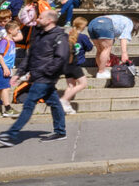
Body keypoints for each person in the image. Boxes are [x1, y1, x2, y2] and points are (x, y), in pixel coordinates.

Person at [5, 8, 70, 143]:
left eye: (40, 17)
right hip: (39, 75)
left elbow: (61, 58)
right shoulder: (40, 35)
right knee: (54, 103)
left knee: (29, 103)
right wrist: (20, 73)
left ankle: (11, 134)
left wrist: (46, 73)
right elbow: (30, 56)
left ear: (49, 20)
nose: (37, 19)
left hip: (45, 77)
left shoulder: (60, 36)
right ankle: (60, 131)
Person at [59, 16, 93, 109]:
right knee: (83, 83)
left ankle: (66, 105)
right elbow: (90, 47)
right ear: (83, 26)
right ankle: (64, 99)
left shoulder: (67, 35)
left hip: (66, 64)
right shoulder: (83, 37)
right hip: (76, 63)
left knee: (70, 85)